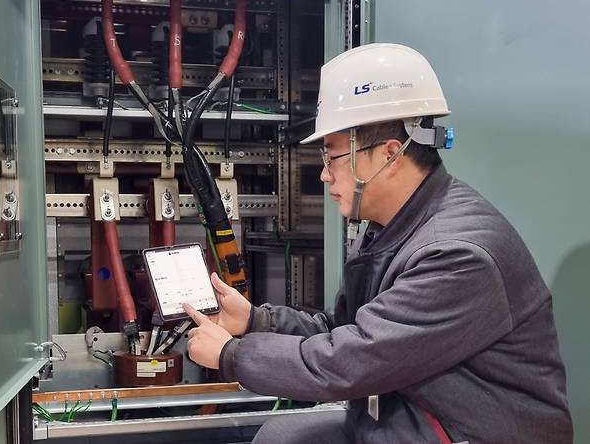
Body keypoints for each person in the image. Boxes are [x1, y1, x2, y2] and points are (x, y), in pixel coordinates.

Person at [183, 43, 573, 443]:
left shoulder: (457, 254)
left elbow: (350, 361)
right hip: (415, 419)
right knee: (282, 436)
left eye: (332, 156)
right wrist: (255, 320)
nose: (323, 175)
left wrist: (232, 355)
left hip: (467, 433)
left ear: (389, 154)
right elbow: (347, 330)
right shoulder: (393, 228)